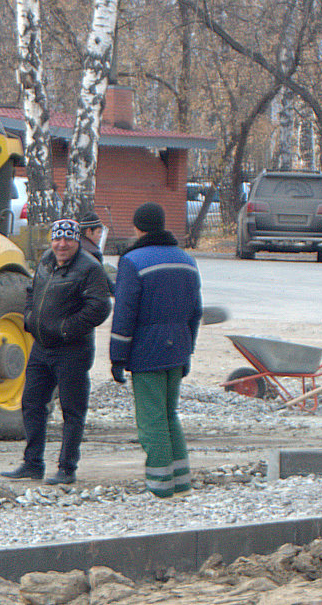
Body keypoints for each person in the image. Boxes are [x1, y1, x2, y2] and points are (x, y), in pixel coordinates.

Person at [1, 218, 111, 485]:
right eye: (57, 239)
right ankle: (32, 463)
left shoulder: (89, 268)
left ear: (77, 241)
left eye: (68, 240)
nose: (62, 245)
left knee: (72, 410)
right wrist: (28, 318)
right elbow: (32, 290)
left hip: (72, 349)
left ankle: (67, 467)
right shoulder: (47, 261)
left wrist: (67, 328)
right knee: (31, 404)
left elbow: (100, 307)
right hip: (41, 347)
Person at [109, 202, 202, 499]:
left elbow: (125, 312)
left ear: (137, 227)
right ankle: (181, 482)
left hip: (147, 352)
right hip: (178, 349)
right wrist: (188, 349)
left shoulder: (133, 261)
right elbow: (196, 311)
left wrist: (117, 355)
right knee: (169, 414)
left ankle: (160, 487)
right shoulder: (187, 260)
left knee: (151, 421)